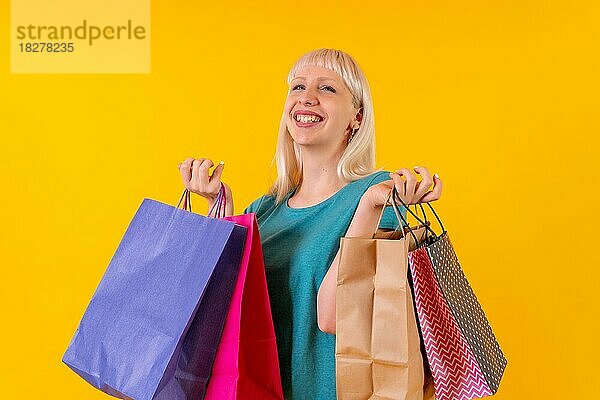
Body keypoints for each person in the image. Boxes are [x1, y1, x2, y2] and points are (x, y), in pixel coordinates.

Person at [178, 48, 442, 399]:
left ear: (356, 118)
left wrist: (367, 208)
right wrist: (218, 210)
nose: (307, 98)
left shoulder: (378, 199)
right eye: (298, 87)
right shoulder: (263, 210)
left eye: (328, 89)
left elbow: (333, 318)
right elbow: (224, 322)